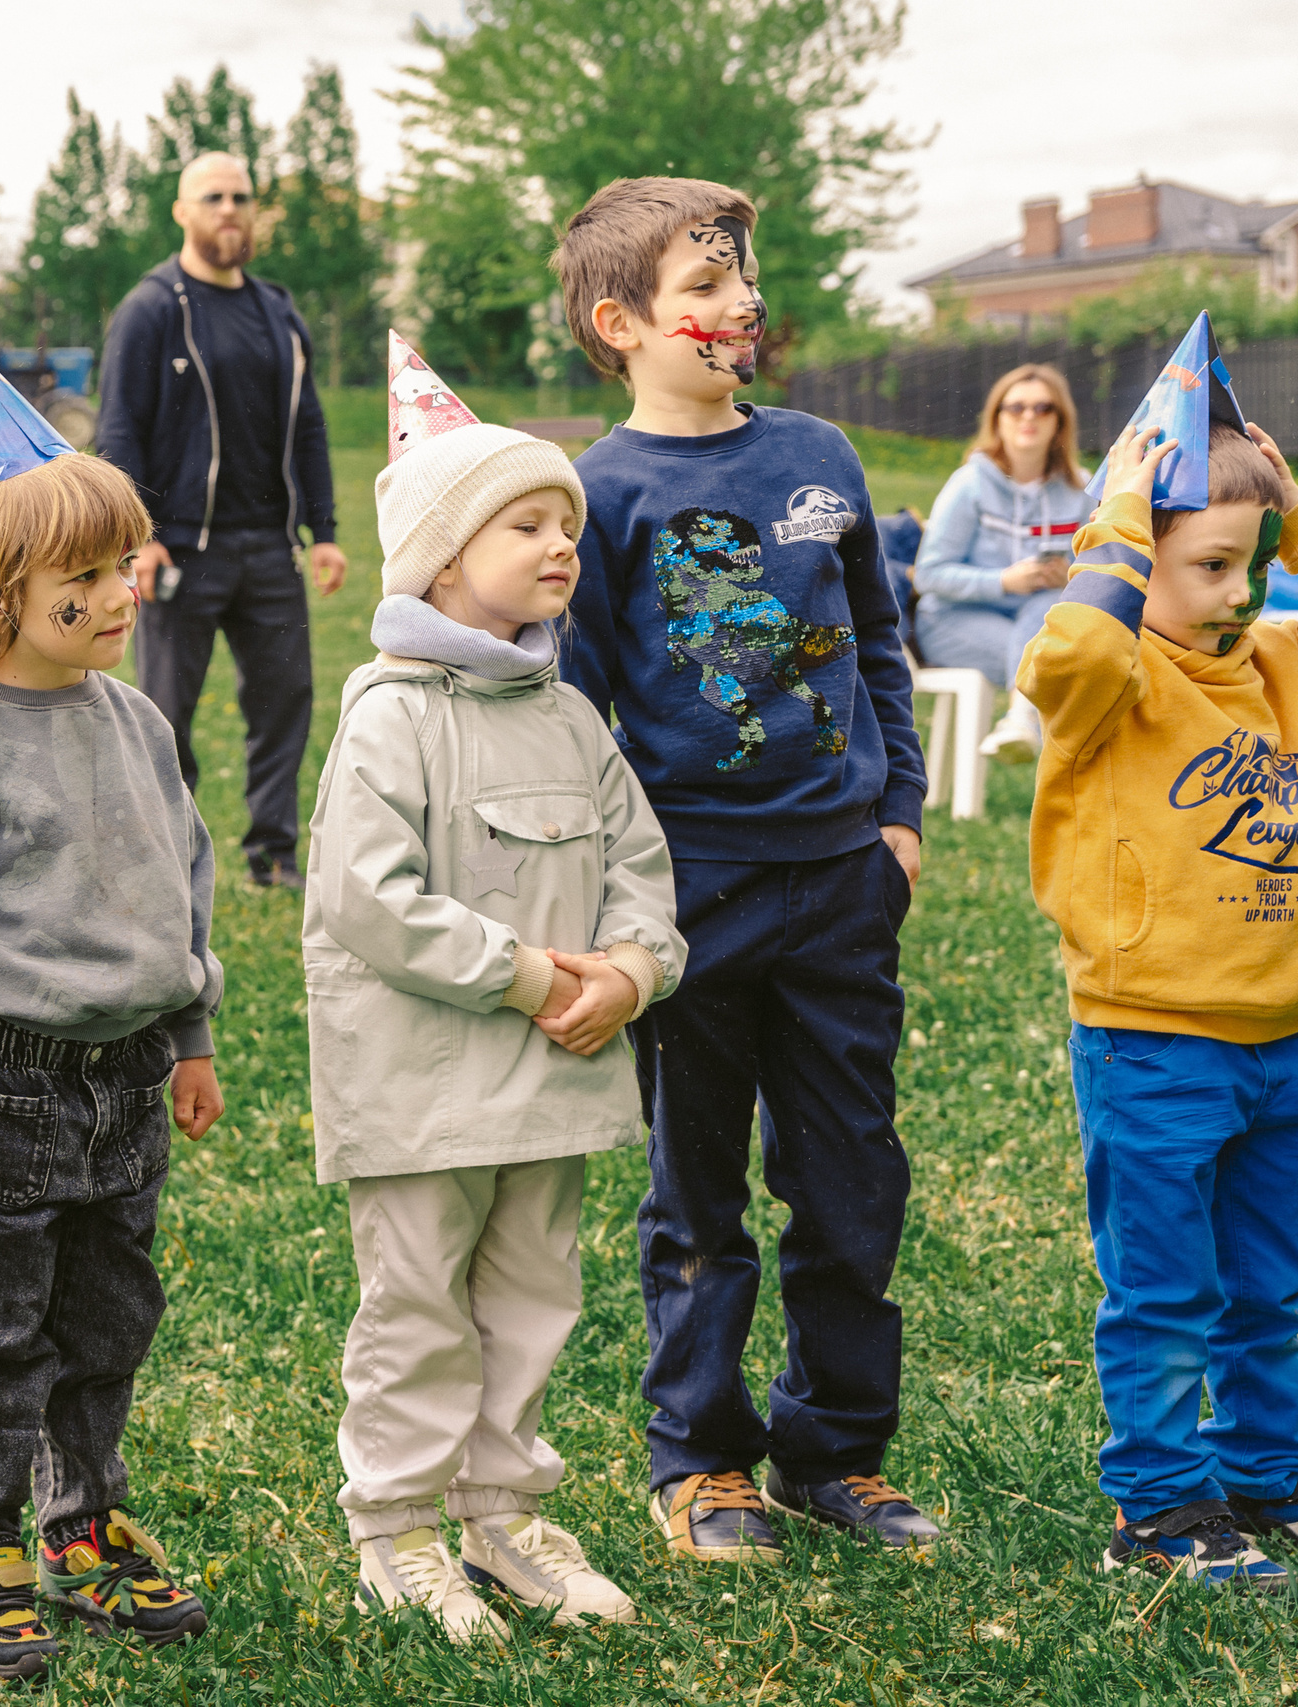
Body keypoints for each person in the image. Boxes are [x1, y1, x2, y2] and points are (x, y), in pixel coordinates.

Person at [551, 177, 947, 1563]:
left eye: (742, 276)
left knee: (851, 1183)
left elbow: (880, 639)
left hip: (842, 881)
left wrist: (898, 813)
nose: (742, 302)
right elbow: (577, 706)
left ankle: (835, 1453)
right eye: (705, 284)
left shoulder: (817, 453)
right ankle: (702, 1460)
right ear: (623, 324)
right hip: (691, 896)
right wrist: (618, 895)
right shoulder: (596, 495)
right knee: (697, 1194)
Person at [0, 308, 224, 1684]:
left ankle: (84, 1523)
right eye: (86, 575)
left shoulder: (139, 721)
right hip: (1, 1083)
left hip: (127, 1078)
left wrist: (189, 1035)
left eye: (125, 563)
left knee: (108, 1319)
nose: (124, 593)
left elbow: (182, 884)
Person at [309, 336, 684, 1640]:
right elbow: (370, 897)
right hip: (422, 1092)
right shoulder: (390, 715)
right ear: (438, 561)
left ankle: (502, 1511)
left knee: (530, 1300)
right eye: (524, 524)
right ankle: (397, 1528)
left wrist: (630, 971)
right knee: (418, 1305)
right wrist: (524, 975)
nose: (559, 544)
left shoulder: (570, 718)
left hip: (553, 1077)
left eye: (565, 524)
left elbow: (639, 868)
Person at [1021, 407, 1298, 1589]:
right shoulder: (1116, 676)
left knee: (1273, 1285)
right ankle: (1158, 1507)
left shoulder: (1275, 663)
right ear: (1140, 560)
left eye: (1254, 565)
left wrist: (1282, 518)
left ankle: (1263, 1475)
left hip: (1280, 1039)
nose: (1235, 592)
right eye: (1209, 565)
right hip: (1151, 1043)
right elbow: (1066, 658)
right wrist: (1117, 532)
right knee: (1165, 1291)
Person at [96, 149, 348, 890]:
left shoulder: (278, 311)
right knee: (165, 714)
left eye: (241, 196)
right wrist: (138, 539)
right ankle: (168, 859)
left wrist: (326, 531)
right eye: (213, 197)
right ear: (182, 211)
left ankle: (274, 854)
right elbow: (118, 430)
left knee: (285, 702)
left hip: (270, 548)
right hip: (180, 551)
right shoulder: (152, 308)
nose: (229, 209)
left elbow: (309, 425)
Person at [912, 363, 1095, 762]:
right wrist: (1004, 581)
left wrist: (1067, 575)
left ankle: (1020, 722)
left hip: (1037, 617)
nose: (1029, 417)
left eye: (1043, 408)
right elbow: (929, 575)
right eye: (1016, 407)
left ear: (1059, 421)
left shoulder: (1080, 489)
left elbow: (1098, 569)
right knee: (1061, 666)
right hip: (954, 620)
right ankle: (1032, 729)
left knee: (1049, 614)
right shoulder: (970, 483)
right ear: (997, 417)